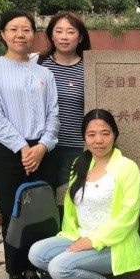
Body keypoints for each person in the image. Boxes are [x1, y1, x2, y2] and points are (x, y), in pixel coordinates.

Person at [29, 109, 140, 279]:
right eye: (91, 134)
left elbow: (128, 216)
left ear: (114, 135)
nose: (98, 140)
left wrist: (94, 240)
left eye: (105, 133)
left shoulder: (127, 168)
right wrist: (75, 237)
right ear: (84, 137)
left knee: (58, 268)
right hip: (80, 235)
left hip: (114, 243)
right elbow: (72, 210)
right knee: (36, 253)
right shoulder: (80, 164)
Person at [0, 9, 60, 279]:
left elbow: (54, 115)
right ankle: (14, 274)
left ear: (33, 34)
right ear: (3, 34)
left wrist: (43, 146)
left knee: (39, 213)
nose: (20, 35)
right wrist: (23, 147)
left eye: (26, 29)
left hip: (42, 151)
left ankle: (33, 271)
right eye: (13, 29)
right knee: (11, 213)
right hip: (8, 151)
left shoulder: (44, 74)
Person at [38, 11, 91, 218]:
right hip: (44, 148)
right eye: (59, 31)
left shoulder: (89, 67)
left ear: (80, 37)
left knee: (74, 204)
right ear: (51, 36)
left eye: (70, 31)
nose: (64, 37)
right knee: (45, 204)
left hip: (76, 148)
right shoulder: (38, 64)